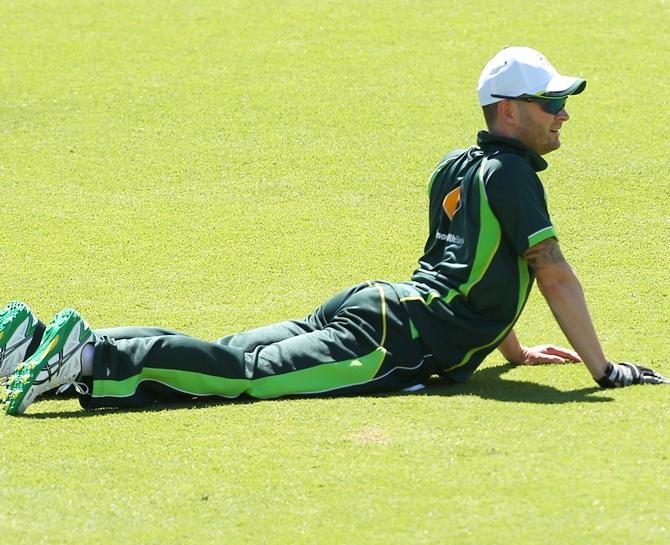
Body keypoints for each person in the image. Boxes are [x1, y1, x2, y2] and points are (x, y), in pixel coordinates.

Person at [2, 46, 667, 416]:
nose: (562, 116)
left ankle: (47, 345)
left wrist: (512, 352)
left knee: (227, 349)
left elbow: (468, 266)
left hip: (378, 305)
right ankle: (86, 363)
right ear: (510, 111)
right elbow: (549, 270)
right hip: (390, 339)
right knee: (242, 374)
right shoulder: (515, 176)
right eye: (551, 104)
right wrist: (605, 370)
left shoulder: (457, 168)